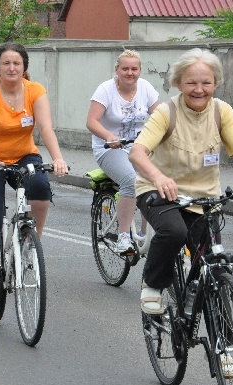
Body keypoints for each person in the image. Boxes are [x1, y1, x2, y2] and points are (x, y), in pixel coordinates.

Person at [129, 48, 233, 316]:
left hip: (204, 199)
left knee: (214, 265)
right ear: (179, 83)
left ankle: (226, 348)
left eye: (206, 82)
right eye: (191, 82)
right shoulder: (165, 113)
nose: (199, 89)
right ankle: (153, 285)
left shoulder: (222, 112)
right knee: (174, 232)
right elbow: (137, 152)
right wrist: (157, 177)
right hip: (159, 193)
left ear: (216, 83)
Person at [0, 42, 69, 309]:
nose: (12, 68)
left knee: (41, 187)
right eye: (6, 63)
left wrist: (57, 157)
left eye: (17, 63)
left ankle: (31, 245)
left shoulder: (35, 90)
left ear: (24, 67)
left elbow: (45, 127)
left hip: (23, 155)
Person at [86, 49, 160, 254]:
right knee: (131, 180)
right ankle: (123, 236)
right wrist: (109, 136)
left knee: (156, 179)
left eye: (134, 69)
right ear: (116, 70)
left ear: (140, 70)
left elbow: (160, 116)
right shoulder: (106, 89)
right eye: (125, 68)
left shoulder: (146, 88)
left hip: (139, 146)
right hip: (109, 148)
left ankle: (146, 234)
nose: (130, 73)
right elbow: (91, 121)